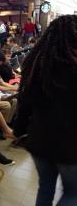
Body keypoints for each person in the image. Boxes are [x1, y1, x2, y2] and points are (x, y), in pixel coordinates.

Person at [14, 15, 77, 206]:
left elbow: (23, 101)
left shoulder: (36, 65)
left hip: (39, 140)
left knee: (45, 187)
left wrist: (19, 130)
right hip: (69, 145)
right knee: (73, 193)